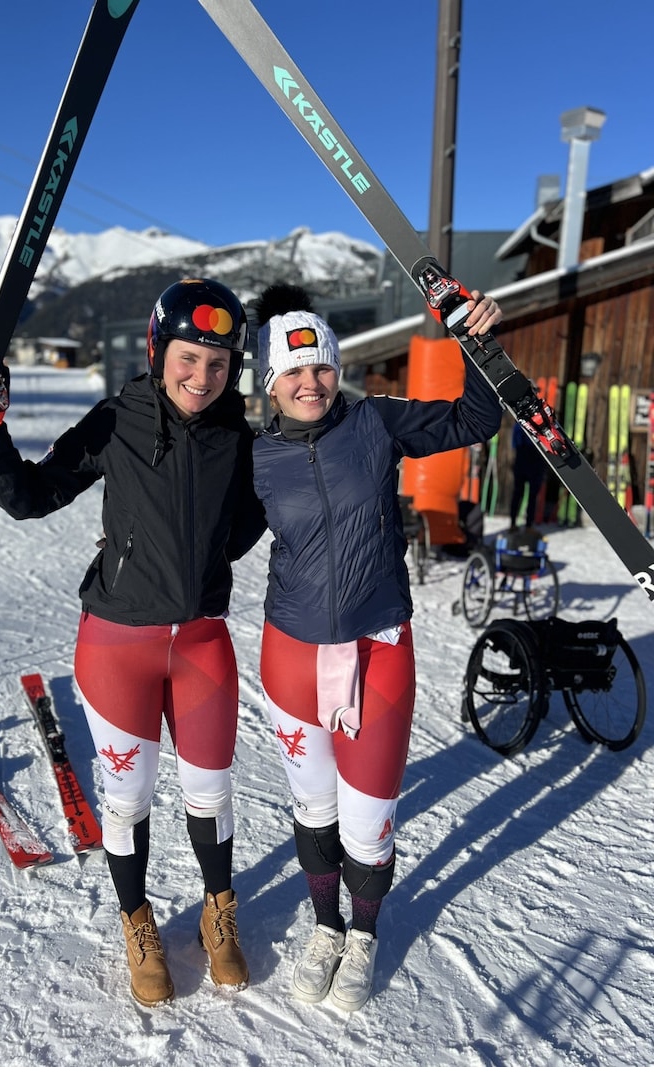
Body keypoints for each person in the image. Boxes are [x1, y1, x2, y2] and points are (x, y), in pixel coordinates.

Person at [0, 279, 266, 1007]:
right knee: (127, 801)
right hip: (118, 641)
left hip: (203, 644)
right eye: (190, 358)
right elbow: (31, 496)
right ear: (160, 351)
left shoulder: (236, 435)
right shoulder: (118, 418)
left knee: (212, 791)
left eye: (219, 365)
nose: (202, 377)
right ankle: (137, 920)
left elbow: (248, 526)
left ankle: (220, 913)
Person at [250, 282, 504, 1012]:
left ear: (337, 369)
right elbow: (206, 527)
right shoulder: (257, 457)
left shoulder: (375, 421)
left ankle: (362, 935)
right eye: (293, 372)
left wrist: (474, 338)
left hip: (378, 651)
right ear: (271, 382)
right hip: (290, 655)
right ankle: (325, 928)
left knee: (368, 820)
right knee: (313, 811)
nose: (310, 383)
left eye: (321, 367)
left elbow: (477, 417)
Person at [509, 417, 547, 529]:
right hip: (530, 459)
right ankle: (522, 524)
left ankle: (520, 524)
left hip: (526, 459)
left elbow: (514, 443)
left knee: (522, 494)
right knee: (526, 495)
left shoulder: (519, 423)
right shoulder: (538, 423)